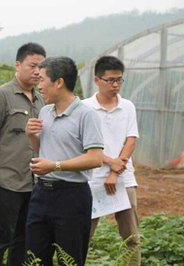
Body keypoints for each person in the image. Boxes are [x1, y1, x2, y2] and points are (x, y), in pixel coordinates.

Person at [25, 56, 104, 266]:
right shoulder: (45, 112)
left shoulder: (86, 115)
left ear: (59, 82)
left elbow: (95, 158)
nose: (38, 86)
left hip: (72, 196)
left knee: (69, 260)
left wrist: (55, 166)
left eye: (42, 80)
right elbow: (43, 149)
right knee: (34, 259)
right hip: (41, 194)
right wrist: (32, 135)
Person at [0, 42, 46, 266]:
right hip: (8, 180)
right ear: (17, 65)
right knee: (0, 237)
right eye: (32, 66)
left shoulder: (42, 100)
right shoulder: (2, 95)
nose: (37, 71)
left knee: (23, 239)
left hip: (33, 182)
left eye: (41, 67)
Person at [82, 56, 140, 264]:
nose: (115, 85)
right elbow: (82, 144)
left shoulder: (128, 107)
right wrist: (107, 161)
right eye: (110, 80)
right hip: (91, 179)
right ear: (97, 80)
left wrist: (115, 172)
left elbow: (131, 141)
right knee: (82, 237)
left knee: (131, 238)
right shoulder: (84, 107)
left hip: (124, 179)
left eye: (119, 80)